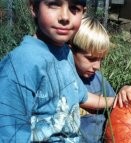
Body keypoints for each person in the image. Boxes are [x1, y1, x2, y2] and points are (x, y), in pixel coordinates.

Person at [0, 0, 121, 142]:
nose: (65, 16)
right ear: (34, 8)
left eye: (74, 8)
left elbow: (84, 97)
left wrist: (118, 100)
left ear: (83, 13)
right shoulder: (21, 62)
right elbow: (9, 132)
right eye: (54, 4)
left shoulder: (65, 53)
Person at [70, 16, 115, 143]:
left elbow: (116, 110)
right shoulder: (63, 79)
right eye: (90, 59)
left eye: (101, 59)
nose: (97, 66)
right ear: (70, 50)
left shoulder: (99, 80)